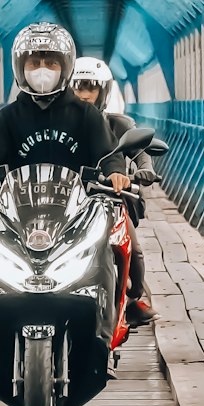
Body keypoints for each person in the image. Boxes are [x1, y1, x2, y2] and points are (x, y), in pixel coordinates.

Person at [0, 20, 130, 190]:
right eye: (34, 63)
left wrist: (115, 172)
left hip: (79, 208)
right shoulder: (7, 118)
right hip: (19, 207)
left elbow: (109, 155)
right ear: (21, 67)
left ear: (65, 68)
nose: (42, 70)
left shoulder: (87, 115)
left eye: (51, 63)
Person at [72, 56, 156, 325]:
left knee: (134, 248)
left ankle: (134, 299)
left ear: (103, 91)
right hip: (66, 201)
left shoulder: (118, 124)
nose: (84, 94)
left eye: (91, 88)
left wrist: (145, 168)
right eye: (78, 87)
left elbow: (140, 151)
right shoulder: (58, 126)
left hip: (107, 200)